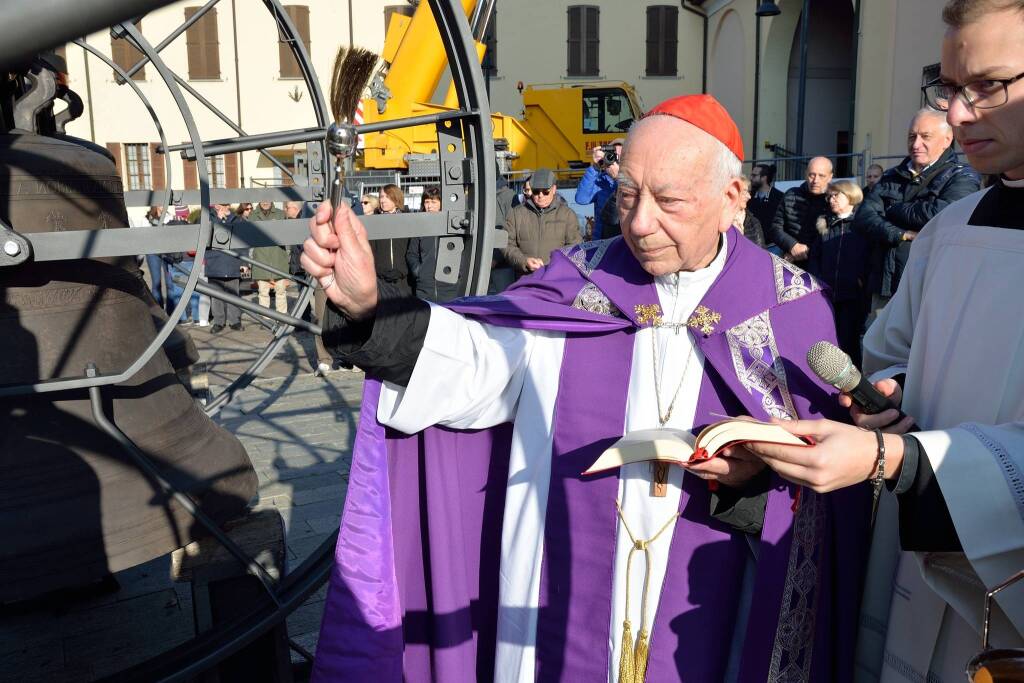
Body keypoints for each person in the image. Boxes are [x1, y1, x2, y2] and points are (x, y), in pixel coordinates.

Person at [303, 94, 868, 682]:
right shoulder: (578, 283)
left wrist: (752, 486)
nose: (640, 223)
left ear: (732, 200)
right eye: (627, 195)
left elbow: (823, 504)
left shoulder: (792, 311)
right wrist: (370, 305)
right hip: (553, 597)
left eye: (668, 201)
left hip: (717, 606)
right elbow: (473, 361)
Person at [744, 3, 1024, 681]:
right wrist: (884, 396)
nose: (956, 114)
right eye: (950, 86)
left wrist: (905, 461)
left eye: (987, 85)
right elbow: (888, 350)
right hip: (915, 558)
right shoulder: (952, 228)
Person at [853, 108, 981, 317]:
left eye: (925, 137)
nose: (915, 144)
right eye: (912, 136)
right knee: (877, 346)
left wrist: (893, 209)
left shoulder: (963, 176)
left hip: (933, 287)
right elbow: (863, 218)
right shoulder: (890, 177)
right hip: (885, 287)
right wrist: (900, 234)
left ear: (947, 139)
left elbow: (942, 214)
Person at [806, 180, 870, 365]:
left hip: (852, 294)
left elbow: (868, 256)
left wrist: (861, 279)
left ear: (850, 196)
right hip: (827, 292)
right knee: (829, 340)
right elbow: (815, 257)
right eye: (829, 196)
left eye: (836, 195)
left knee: (850, 342)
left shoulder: (862, 225)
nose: (831, 199)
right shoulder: (825, 225)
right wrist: (817, 280)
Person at [502, 168, 582, 278]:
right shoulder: (516, 213)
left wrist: (556, 267)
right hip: (525, 282)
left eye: (545, 192)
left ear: (554, 189)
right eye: (536, 191)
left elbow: (575, 248)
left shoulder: (567, 215)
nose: (540, 195)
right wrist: (524, 261)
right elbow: (506, 244)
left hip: (556, 280)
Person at [767, 157, 834, 263]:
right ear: (806, 174)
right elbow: (775, 229)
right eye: (812, 174)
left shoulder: (834, 201)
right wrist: (792, 245)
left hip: (821, 266)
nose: (815, 180)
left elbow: (835, 236)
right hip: (789, 261)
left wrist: (805, 252)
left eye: (821, 176)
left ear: (830, 177)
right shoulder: (791, 195)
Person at [406, 186, 462, 302]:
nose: (429, 206)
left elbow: (464, 251)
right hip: (425, 286)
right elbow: (411, 254)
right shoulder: (419, 226)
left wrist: (458, 272)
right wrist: (419, 272)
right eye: (426, 202)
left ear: (442, 203)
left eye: (433, 202)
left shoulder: (453, 226)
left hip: (450, 286)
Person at [204, 203, 244, 333]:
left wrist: (245, 263)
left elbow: (243, 242)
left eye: (225, 204)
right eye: (220, 204)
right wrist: (218, 220)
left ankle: (235, 321)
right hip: (214, 262)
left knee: (234, 294)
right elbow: (206, 235)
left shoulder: (237, 220)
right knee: (216, 296)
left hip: (233, 262)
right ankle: (218, 322)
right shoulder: (207, 217)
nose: (222, 207)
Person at [574, 138, 623, 240]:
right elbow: (581, 199)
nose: (616, 159)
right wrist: (595, 167)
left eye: (620, 156)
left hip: (623, 239)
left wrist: (618, 178)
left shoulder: (633, 179)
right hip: (601, 240)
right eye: (613, 155)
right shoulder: (601, 179)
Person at [250, 201, 292, 315]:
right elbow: (248, 238)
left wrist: (288, 256)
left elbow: (288, 236)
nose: (265, 202)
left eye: (267, 199)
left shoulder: (280, 214)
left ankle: (282, 316)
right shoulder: (253, 215)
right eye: (263, 200)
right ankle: (265, 318)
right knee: (263, 292)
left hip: (279, 259)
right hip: (260, 259)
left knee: (281, 292)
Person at [370, 184, 412, 296]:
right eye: (381, 197)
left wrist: (406, 270)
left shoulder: (407, 220)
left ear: (396, 198)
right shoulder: (374, 221)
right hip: (380, 280)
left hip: (404, 280)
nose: (382, 200)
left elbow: (412, 249)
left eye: (387, 197)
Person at [747, 163, 784, 235]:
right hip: (753, 241)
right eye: (751, 175)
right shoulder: (748, 197)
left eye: (754, 175)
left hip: (773, 243)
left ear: (764, 178)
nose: (751, 178)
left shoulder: (779, 197)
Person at [734, 174, 766, 246]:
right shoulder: (717, 220)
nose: (749, 197)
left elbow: (760, 253)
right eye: (745, 191)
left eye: (749, 192)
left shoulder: (753, 223)